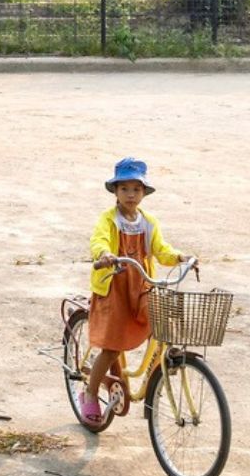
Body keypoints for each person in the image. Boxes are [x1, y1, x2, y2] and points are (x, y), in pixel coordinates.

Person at [79, 157, 190, 426]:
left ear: (144, 193)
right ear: (115, 192)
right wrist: (104, 253)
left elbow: (160, 249)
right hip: (115, 287)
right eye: (125, 189)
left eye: (136, 189)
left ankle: (168, 357)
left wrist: (179, 257)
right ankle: (90, 393)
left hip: (141, 285)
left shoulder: (148, 221)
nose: (131, 195)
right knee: (111, 347)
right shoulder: (108, 220)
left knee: (160, 317)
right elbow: (99, 239)